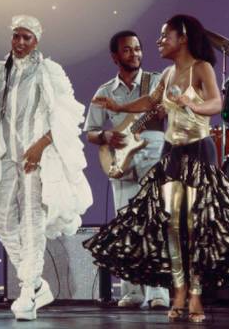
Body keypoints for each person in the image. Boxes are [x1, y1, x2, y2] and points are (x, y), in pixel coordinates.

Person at [84, 14, 229, 324]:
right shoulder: (167, 74)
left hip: (198, 151)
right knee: (172, 228)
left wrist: (194, 106)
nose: (159, 41)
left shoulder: (201, 68)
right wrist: (119, 108)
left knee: (197, 227)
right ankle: (178, 293)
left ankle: (196, 295)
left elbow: (217, 103)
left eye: (165, 36)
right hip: (172, 153)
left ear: (183, 38)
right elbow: (149, 101)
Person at [0, 15, 92, 321]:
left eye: (26, 37)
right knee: (1, 220)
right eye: (16, 36)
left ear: (36, 41)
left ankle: (27, 293)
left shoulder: (50, 72)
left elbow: (67, 118)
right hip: (7, 160)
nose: (21, 42)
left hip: (36, 161)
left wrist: (39, 146)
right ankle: (37, 284)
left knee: (32, 223)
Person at [84, 30, 170, 309]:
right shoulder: (104, 91)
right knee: (127, 226)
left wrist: (164, 111)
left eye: (137, 49)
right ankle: (132, 291)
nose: (135, 54)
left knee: (155, 223)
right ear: (115, 56)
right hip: (120, 162)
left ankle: (158, 292)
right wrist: (107, 137)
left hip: (153, 156)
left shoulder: (155, 82)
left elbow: (169, 110)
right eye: (127, 50)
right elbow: (91, 133)